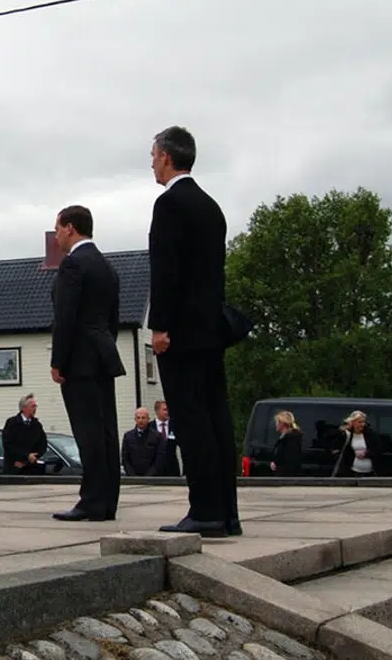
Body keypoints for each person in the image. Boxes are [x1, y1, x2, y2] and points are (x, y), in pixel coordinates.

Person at [147, 126, 240, 538]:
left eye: (154, 156)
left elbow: (166, 271)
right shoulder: (210, 206)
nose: (152, 163)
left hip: (181, 334)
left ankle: (204, 509)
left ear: (167, 157)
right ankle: (227, 512)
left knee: (190, 420)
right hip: (210, 330)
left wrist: (160, 326)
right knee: (217, 418)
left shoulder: (169, 204)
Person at [48, 205, 126, 521]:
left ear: (71, 228)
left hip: (79, 358)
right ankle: (107, 501)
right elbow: (114, 318)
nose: (56, 236)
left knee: (87, 432)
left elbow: (65, 317)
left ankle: (91, 500)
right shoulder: (107, 266)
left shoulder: (72, 265)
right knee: (106, 430)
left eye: (57, 229)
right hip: (103, 354)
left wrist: (58, 360)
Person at [1, 394, 48, 475]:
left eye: (36, 406)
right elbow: (8, 445)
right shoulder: (12, 423)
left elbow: (43, 444)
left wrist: (33, 457)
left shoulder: (37, 425)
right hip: (14, 468)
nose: (35, 409)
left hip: (32, 469)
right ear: (23, 408)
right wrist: (25, 456)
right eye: (32, 406)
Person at [333, 410, 383, 477]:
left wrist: (366, 454)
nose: (362, 424)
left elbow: (378, 450)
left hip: (371, 472)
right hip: (353, 471)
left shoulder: (371, 434)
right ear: (352, 422)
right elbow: (333, 441)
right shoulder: (348, 434)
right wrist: (344, 429)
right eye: (359, 422)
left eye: (363, 422)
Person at [121, 407, 163, 476]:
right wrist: (132, 476)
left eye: (143, 418)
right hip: (133, 476)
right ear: (135, 419)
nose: (140, 420)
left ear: (148, 419)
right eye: (138, 418)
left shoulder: (157, 436)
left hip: (152, 477)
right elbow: (125, 459)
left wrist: (149, 476)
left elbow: (159, 459)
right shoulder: (128, 436)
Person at [150, 400, 181, 477]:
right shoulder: (150, 427)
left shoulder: (174, 425)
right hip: (154, 469)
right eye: (165, 410)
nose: (167, 412)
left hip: (172, 468)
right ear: (157, 411)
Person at [270, 410, 303, 476]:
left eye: (277, 422)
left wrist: (277, 468)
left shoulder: (291, 439)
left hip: (286, 477)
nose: (276, 425)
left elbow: (291, 463)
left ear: (282, 423)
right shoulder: (284, 438)